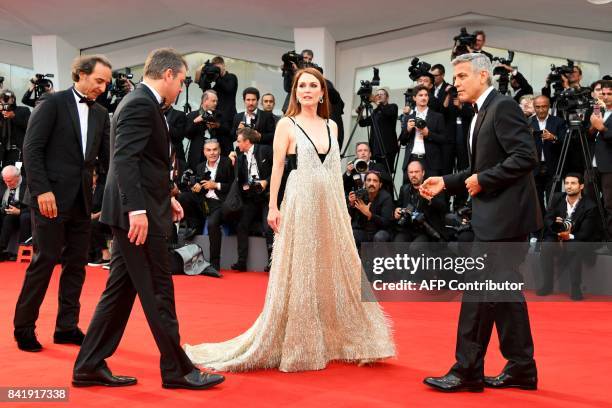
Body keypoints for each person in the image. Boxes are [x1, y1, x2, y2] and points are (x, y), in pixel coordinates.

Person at [184, 67, 395, 372]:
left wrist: (342, 211)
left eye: (313, 85)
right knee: (302, 267)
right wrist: (272, 207)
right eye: (301, 86)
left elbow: (335, 172)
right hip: (299, 201)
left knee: (331, 265)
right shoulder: (287, 124)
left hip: (328, 204)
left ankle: (337, 337)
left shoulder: (333, 126)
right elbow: (278, 168)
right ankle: (299, 340)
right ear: (295, 92)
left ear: (322, 92)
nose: (307, 90)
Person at [73, 48, 224, 390]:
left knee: (120, 292)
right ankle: (178, 370)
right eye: (182, 79)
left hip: (141, 209)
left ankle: (89, 365)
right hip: (135, 217)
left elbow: (145, 162)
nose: (181, 86)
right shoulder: (141, 103)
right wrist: (137, 209)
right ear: (167, 75)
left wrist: (167, 196)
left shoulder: (143, 103)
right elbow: (124, 160)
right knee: (159, 291)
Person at [420, 53, 541, 392]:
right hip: (498, 218)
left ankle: (467, 371)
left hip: (505, 220)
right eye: (455, 77)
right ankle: (522, 368)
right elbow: (481, 167)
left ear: (483, 76)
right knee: (504, 294)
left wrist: (484, 180)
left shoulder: (501, 107)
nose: (455, 82)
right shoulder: (480, 113)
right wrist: (446, 181)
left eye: (461, 76)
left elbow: (525, 156)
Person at [13, 55, 112, 352]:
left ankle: (66, 327)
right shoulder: (52, 103)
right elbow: (32, 149)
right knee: (44, 262)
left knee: (76, 266)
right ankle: (24, 328)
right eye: (99, 80)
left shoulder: (101, 114)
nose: (103, 88)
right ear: (80, 75)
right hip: (50, 200)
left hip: (82, 200)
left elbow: (107, 159)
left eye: (107, 82)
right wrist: (41, 190)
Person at [538, 173, 601, 300]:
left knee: (574, 246)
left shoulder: (590, 206)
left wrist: (569, 236)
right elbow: (547, 219)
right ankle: (547, 285)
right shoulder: (557, 198)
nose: (569, 186)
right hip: (557, 236)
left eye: (573, 183)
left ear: (581, 186)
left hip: (577, 239)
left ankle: (575, 286)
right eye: (566, 183)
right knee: (546, 245)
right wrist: (557, 227)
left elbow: (586, 233)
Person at [230, 127, 274, 272]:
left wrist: (266, 182)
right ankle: (241, 262)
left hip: (267, 195)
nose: (237, 145)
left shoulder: (265, 150)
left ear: (247, 141)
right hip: (251, 197)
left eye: (239, 142)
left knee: (269, 227)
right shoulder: (240, 157)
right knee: (241, 225)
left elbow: (279, 169)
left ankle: (272, 263)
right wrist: (245, 186)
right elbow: (240, 179)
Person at [348, 171, 394, 250]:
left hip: (380, 230)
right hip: (364, 230)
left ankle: (378, 261)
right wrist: (351, 204)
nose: (371, 183)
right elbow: (351, 216)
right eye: (369, 180)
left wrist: (370, 215)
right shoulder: (360, 194)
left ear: (380, 185)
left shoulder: (386, 197)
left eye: (375, 181)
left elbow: (386, 222)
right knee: (351, 234)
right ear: (365, 183)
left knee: (379, 237)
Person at [357, 88, 398, 174]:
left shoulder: (393, 107)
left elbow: (388, 113)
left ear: (387, 97)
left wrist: (376, 102)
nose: (379, 95)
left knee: (386, 174)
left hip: (388, 149)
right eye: (377, 94)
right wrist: (360, 113)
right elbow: (363, 123)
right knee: (375, 173)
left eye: (382, 94)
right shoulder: (375, 112)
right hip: (375, 150)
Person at [0, 165, 30, 260]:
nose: (7, 183)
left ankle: (5, 249)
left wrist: (19, 211)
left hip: (22, 212)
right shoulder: (3, 182)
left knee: (13, 218)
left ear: (18, 177)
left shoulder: (28, 184)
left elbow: (33, 206)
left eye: (9, 181)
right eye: (5, 180)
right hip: (4, 210)